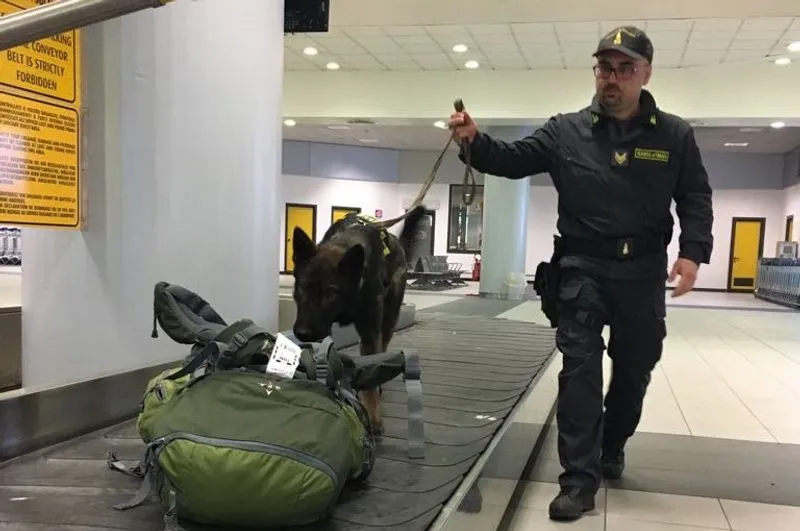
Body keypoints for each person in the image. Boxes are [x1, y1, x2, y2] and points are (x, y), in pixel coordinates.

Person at [448, 26, 713, 522]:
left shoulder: (674, 135)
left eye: (624, 69)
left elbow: (695, 197)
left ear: (646, 74)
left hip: (643, 273)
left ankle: (613, 443)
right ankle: (578, 480)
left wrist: (693, 253)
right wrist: (474, 143)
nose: (611, 78)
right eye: (604, 68)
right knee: (579, 373)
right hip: (581, 269)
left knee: (634, 369)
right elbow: (512, 159)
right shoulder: (565, 130)